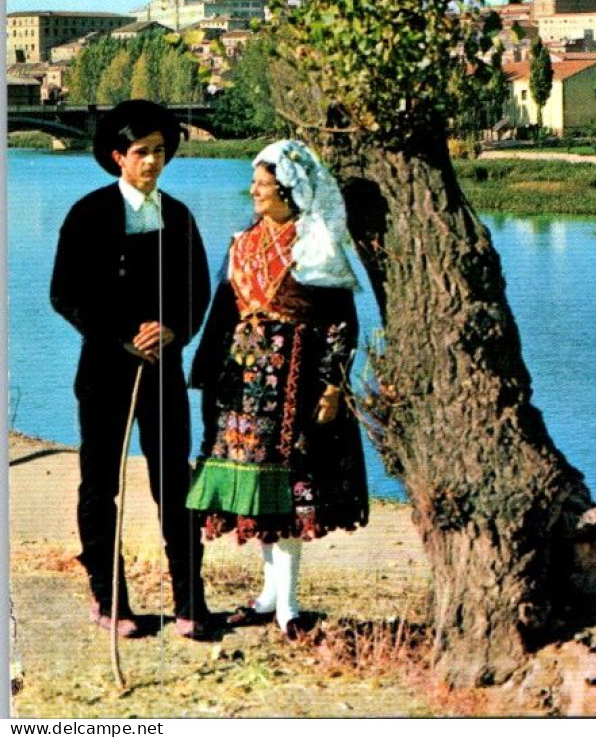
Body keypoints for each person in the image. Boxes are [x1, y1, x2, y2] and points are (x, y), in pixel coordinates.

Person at [185, 139, 368, 639]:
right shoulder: (242, 242)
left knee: (285, 492)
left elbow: (340, 323)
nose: (255, 194)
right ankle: (268, 596)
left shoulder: (315, 245)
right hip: (242, 386)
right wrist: (206, 369)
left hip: (295, 381)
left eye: (264, 186)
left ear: (289, 191)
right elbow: (222, 311)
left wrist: (334, 385)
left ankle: (288, 604)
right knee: (256, 492)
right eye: (255, 185)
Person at [50, 99, 213, 640]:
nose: (152, 162)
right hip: (103, 369)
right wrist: (124, 335)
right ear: (118, 156)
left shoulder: (180, 216)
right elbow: (65, 294)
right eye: (141, 151)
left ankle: (192, 604)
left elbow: (197, 292)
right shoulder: (88, 214)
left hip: (163, 371)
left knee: (175, 484)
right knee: (100, 485)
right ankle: (110, 600)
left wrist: (173, 331)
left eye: (160, 151)